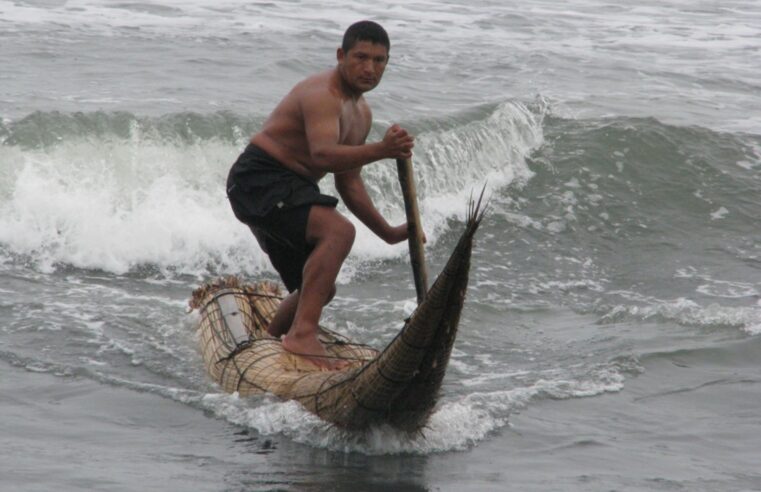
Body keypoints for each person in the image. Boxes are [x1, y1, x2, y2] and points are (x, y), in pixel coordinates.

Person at [226, 20, 415, 370]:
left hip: (292, 189)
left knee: (318, 290)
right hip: (259, 179)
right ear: (341, 55)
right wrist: (383, 149)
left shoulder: (361, 113)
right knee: (338, 231)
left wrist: (388, 233)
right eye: (361, 57)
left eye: (379, 60)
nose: (370, 68)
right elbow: (323, 155)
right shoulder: (322, 94)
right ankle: (302, 337)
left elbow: (349, 183)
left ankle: (270, 343)